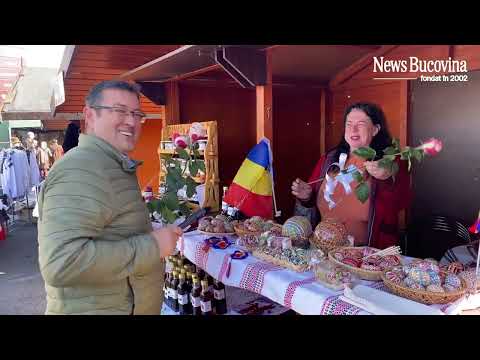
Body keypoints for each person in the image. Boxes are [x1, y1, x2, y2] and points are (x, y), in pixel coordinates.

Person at [37, 80, 182, 315]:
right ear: (90, 116)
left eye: (136, 113)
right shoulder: (81, 168)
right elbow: (61, 263)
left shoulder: (110, 164)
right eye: (120, 111)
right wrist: (153, 246)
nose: (131, 121)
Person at [292, 102, 411, 249]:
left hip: (368, 252)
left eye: (360, 124)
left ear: (375, 129)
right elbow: (312, 198)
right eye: (349, 124)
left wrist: (388, 176)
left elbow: (402, 202)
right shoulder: (329, 159)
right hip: (323, 247)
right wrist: (306, 197)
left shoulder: (389, 162)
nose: (353, 129)